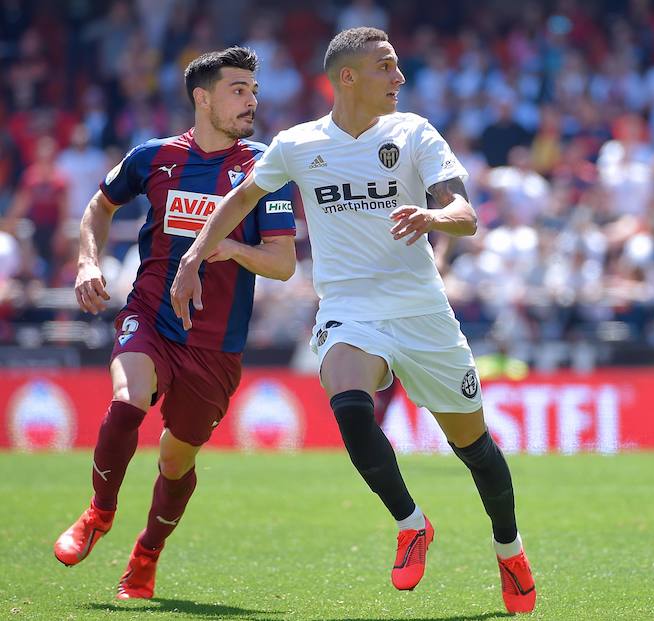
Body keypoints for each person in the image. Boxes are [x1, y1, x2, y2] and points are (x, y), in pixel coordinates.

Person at [171, 28, 536, 614]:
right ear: (348, 77)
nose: (399, 78)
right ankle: (412, 522)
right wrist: (192, 256)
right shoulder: (297, 144)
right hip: (349, 311)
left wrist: (433, 215)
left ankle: (510, 550)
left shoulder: (414, 133)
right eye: (386, 67)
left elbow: (466, 214)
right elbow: (238, 201)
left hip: (422, 313)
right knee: (349, 405)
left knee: (475, 449)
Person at [53, 47, 297, 599]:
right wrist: (88, 261)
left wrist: (228, 246)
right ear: (202, 97)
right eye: (238, 89)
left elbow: (282, 263)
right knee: (127, 400)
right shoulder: (153, 157)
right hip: (151, 315)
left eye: (254, 91)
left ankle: (146, 555)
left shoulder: (266, 168)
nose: (251, 100)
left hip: (216, 344)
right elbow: (98, 207)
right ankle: (99, 512)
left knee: (174, 457)